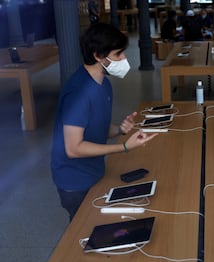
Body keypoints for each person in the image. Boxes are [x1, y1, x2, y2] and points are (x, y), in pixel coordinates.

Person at [50, 23, 157, 221]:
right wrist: (124, 147)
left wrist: (119, 130)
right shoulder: (79, 93)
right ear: (98, 56)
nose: (124, 58)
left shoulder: (103, 84)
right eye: (118, 54)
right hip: (75, 181)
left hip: (95, 171)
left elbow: (95, 126)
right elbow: (73, 148)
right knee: (85, 234)